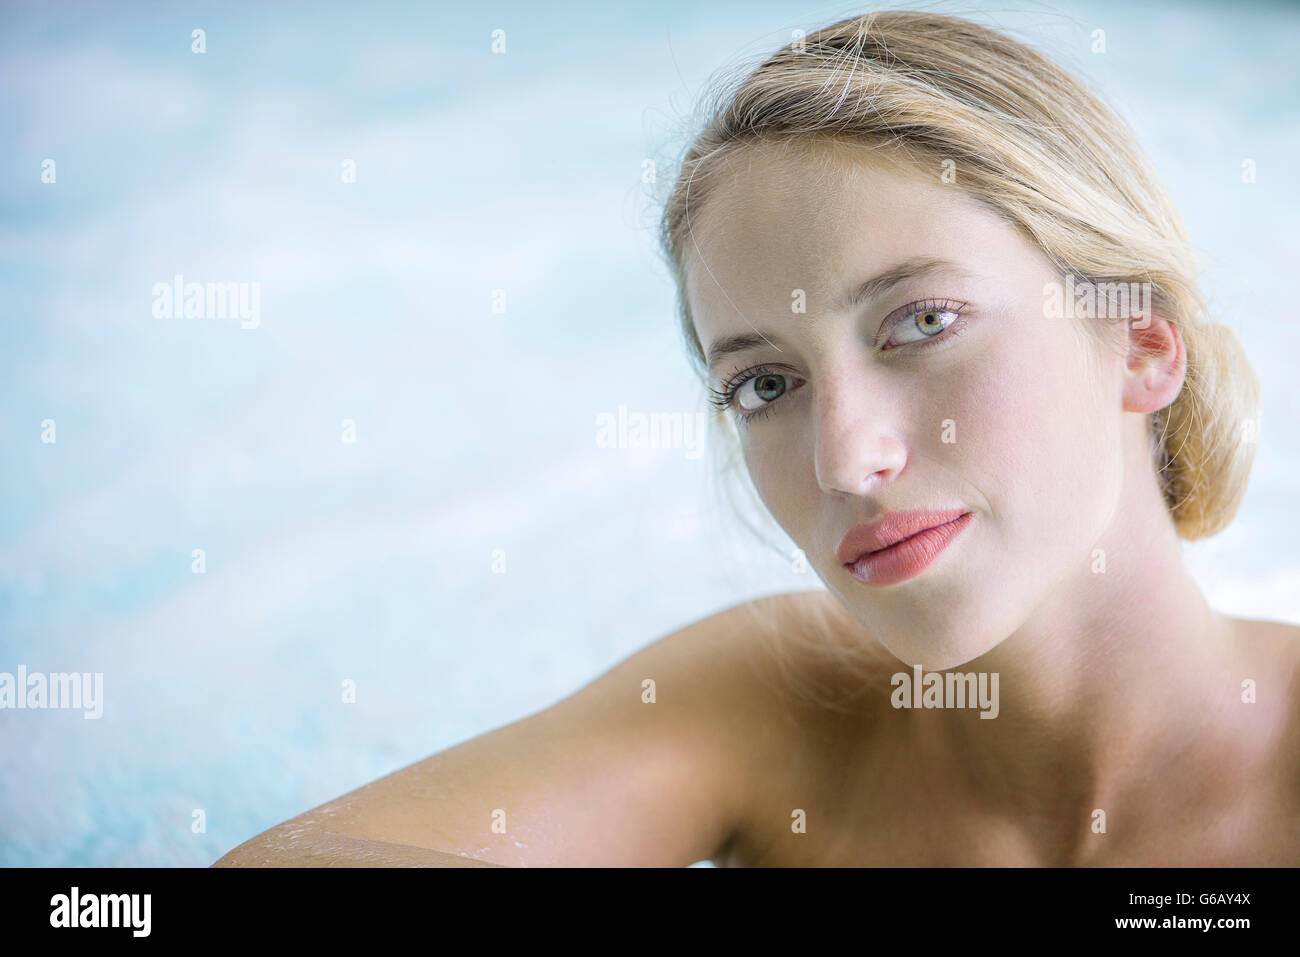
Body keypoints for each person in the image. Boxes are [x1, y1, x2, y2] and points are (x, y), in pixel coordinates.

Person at [213, 10, 1298, 868]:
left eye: (921, 322)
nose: (844, 458)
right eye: (766, 382)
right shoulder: (781, 701)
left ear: (1143, 346)